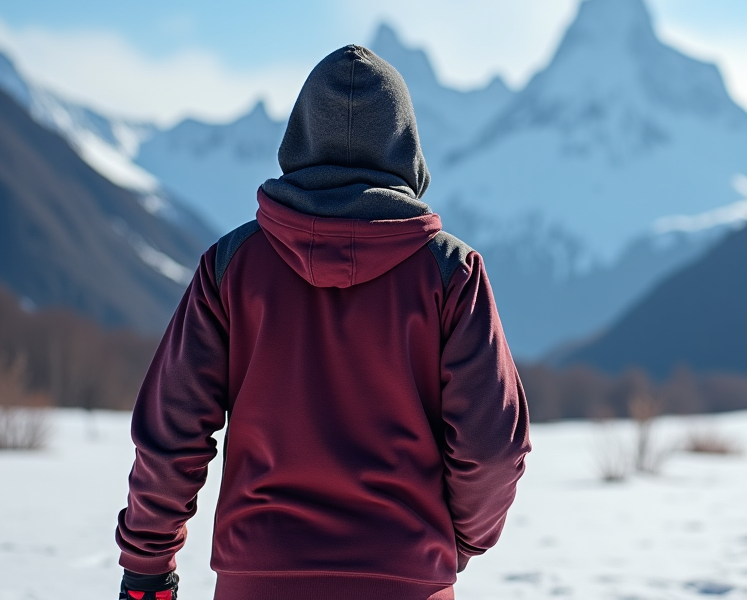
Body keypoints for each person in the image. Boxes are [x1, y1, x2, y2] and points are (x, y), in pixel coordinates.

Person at [115, 45, 531, 600]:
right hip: (406, 578)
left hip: (257, 578)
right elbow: (494, 447)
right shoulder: (451, 274)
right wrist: (455, 544)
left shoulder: (231, 265)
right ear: (406, 148)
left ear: (298, 140)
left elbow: (172, 432)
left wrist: (147, 565)